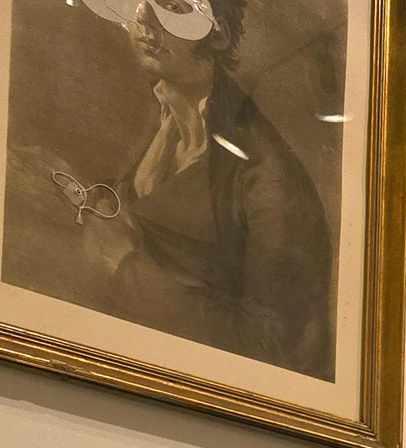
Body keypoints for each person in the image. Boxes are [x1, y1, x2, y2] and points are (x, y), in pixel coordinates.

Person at [78, 0, 336, 377]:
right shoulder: (160, 114)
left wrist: (123, 269)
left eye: (172, 6)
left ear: (219, 33)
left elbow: (276, 349)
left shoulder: (268, 179)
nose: (144, 19)